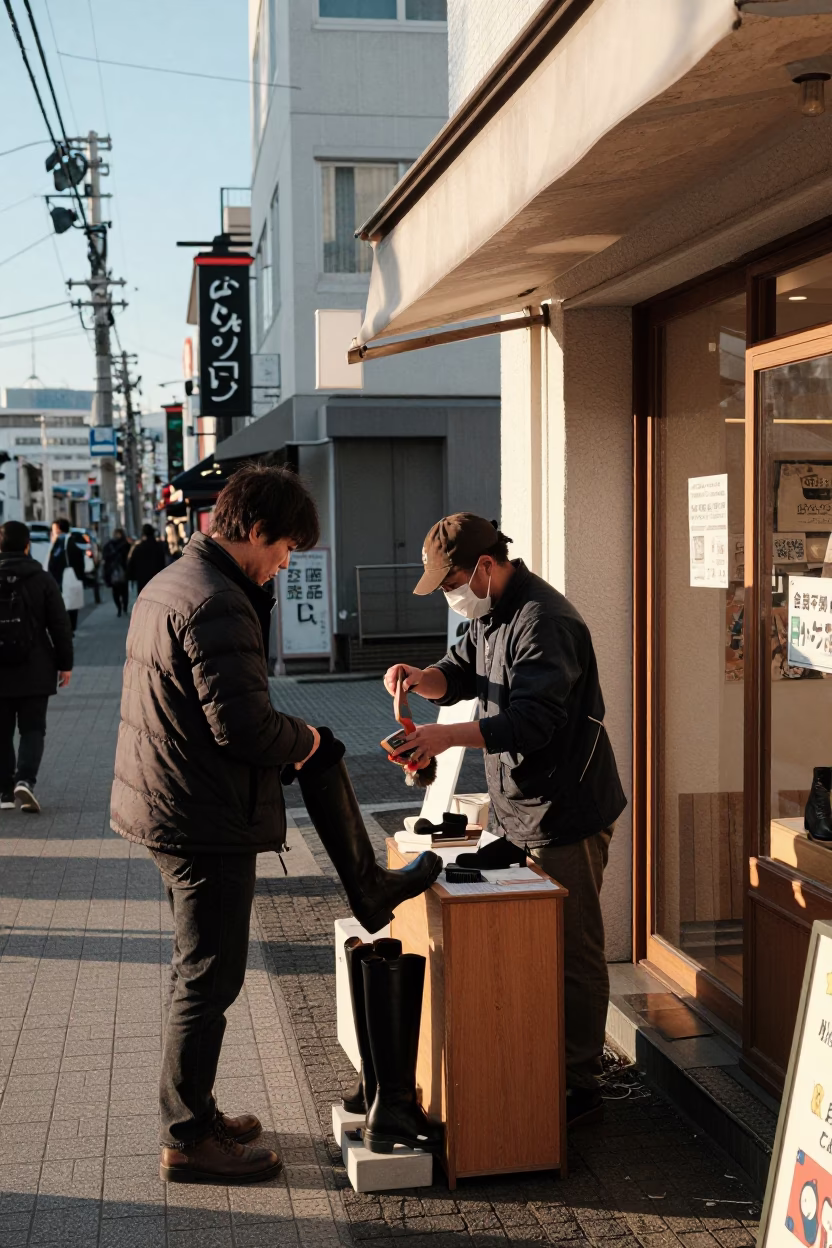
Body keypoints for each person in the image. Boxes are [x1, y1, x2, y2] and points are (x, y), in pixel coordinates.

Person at [110, 463, 439, 1186]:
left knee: (195, 972)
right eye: (285, 549)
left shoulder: (173, 580)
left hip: (172, 803)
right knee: (207, 979)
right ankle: (188, 1135)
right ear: (255, 532)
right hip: (203, 817)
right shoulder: (219, 602)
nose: (285, 565)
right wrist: (310, 742)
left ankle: (192, 1110)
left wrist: (304, 741)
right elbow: (244, 727)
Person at [385, 512, 627, 1129]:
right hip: (518, 805)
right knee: (532, 943)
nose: (451, 596)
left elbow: (532, 722)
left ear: (486, 568)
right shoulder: (488, 610)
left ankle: (580, 1086)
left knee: (574, 949)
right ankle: (543, 1063)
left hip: (566, 810)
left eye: (453, 584)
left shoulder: (545, 621)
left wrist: (444, 739)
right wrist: (421, 677)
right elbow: (458, 672)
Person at [0, 520, 73, 813]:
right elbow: (59, 624)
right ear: (28, 544)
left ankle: (4, 793)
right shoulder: (42, 579)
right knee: (32, 728)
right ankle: (25, 781)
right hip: (36, 667)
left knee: (1, 731)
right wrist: (65, 664)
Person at [48, 517, 85, 634]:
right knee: (70, 604)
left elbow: (54, 562)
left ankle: (69, 629)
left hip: (64, 577)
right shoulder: (68, 541)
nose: (52, 532)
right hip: (65, 578)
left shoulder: (62, 542)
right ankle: (70, 628)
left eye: (54, 529)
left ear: (58, 529)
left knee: (66, 605)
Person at [127, 523, 167, 594]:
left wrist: (131, 577)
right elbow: (163, 562)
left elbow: (132, 563)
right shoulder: (159, 546)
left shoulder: (139, 547)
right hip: (157, 578)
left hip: (142, 578)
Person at [102, 528, 130, 616]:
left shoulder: (111, 545)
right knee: (120, 591)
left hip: (115, 571)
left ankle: (121, 608)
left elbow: (105, 558)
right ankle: (121, 608)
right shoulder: (125, 544)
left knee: (119, 591)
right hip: (120, 571)